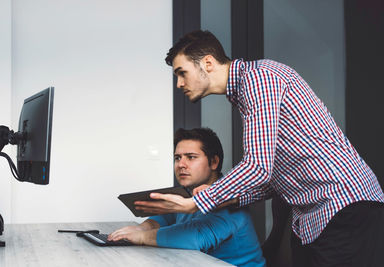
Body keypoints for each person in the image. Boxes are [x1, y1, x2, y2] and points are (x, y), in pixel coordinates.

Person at [134, 30, 384, 266]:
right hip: (317, 216)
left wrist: (200, 201)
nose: (179, 83)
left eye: (182, 72)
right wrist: (225, 197)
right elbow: (272, 177)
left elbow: (257, 167)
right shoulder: (246, 93)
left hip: (345, 207)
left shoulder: (259, 79)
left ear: (207, 63)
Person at [108, 128, 266, 267]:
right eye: (177, 158)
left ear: (214, 162)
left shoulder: (229, 200)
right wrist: (141, 228)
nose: (181, 164)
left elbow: (196, 237)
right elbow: (165, 218)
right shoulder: (187, 194)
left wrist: (142, 237)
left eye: (191, 157)